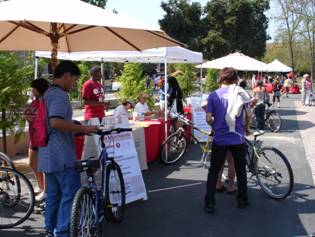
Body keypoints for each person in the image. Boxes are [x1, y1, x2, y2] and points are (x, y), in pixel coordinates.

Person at [38, 61, 99, 237]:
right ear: (66, 76)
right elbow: (55, 122)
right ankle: (62, 232)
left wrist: (73, 125)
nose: (74, 84)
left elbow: (53, 121)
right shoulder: (59, 95)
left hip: (47, 154)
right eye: (74, 80)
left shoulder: (47, 93)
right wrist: (83, 129)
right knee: (69, 195)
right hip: (61, 154)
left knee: (53, 196)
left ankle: (50, 230)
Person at [204, 67, 251, 214]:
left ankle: (210, 203)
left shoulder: (213, 95)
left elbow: (208, 118)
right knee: (241, 169)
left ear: (221, 78)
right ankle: (242, 199)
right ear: (235, 79)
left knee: (213, 171)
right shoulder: (241, 93)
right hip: (237, 138)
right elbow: (249, 114)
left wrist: (216, 126)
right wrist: (246, 127)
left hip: (220, 139)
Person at [23, 78, 50, 202]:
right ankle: (41, 187)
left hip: (43, 138)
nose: (32, 91)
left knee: (43, 166)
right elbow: (27, 113)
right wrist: (26, 116)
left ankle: (46, 191)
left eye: (34, 88)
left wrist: (35, 119)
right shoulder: (33, 103)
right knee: (32, 164)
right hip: (33, 137)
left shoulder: (47, 102)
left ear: (40, 89)